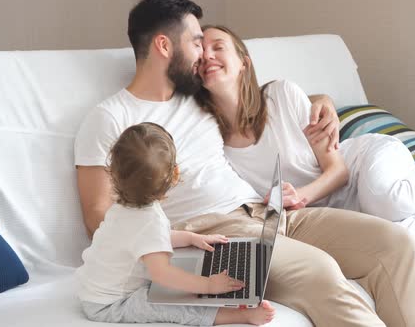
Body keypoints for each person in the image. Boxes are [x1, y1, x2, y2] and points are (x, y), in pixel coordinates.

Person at [75, 0, 415, 326]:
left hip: (271, 214)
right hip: (212, 234)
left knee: (394, 245)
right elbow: (97, 217)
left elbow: (258, 97)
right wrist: (163, 245)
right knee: (321, 272)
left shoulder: (197, 99)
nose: (203, 53)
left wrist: (322, 99)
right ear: (164, 45)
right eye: (196, 41)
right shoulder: (110, 118)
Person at [195, 25, 415, 253]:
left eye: (218, 46)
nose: (208, 55)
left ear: (243, 63)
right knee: (396, 245)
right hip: (332, 215)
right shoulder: (213, 144)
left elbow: (338, 171)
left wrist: (298, 197)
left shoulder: (281, 95)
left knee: (390, 199)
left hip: (364, 163)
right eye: (200, 53)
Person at [76, 122, 275, 326]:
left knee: (171, 289)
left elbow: (149, 238)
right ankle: (241, 316)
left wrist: (191, 238)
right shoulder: (148, 220)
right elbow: (161, 273)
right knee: (169, 305)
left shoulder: (123, 208)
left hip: (95, 293)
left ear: (113, 174)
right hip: (110, 304)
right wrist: (208, 285)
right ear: (175, 174)